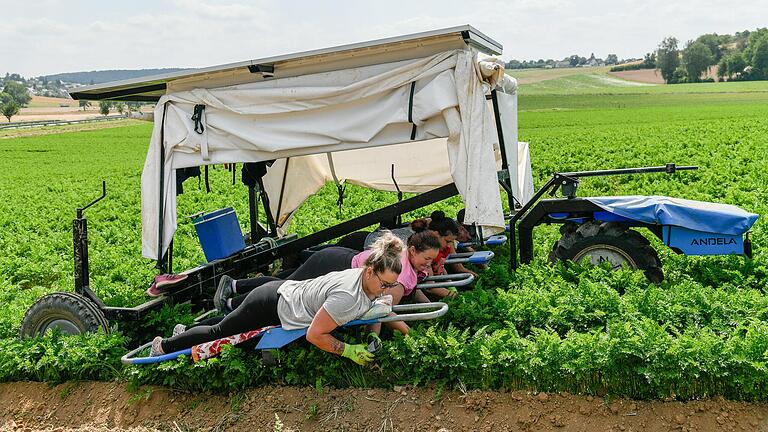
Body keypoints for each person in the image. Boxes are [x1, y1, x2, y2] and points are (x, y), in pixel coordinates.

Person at [150, 234, 404, 366]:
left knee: (230, 323)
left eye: (390, 286)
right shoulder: (347, 297)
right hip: (272, 303)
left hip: (283, 292)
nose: (385, 290)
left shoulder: (364, 277)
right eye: (383, 284)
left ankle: (184, 331)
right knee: (220, 332)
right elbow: (315, 335)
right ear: (369, 271)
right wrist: (347, 351)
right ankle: (164, 345)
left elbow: (370, 302)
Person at [218, 227, 442, 335]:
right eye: (427, 259)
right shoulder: (399, 274)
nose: (429, 264)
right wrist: (411, 337)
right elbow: (383, 310)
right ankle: (233, 293)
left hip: (341, 262)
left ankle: (234, 297)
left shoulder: (407, 267)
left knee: (286, 282)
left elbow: (379, 306)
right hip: (334, 263)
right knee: (285, 284)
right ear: (412, 251)